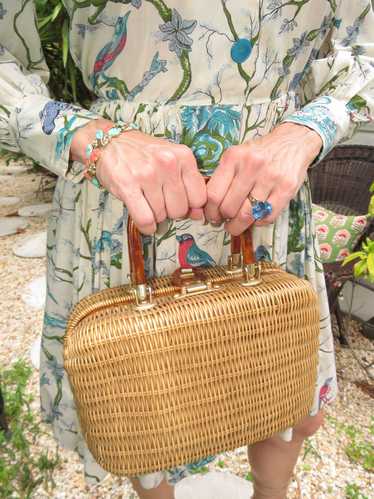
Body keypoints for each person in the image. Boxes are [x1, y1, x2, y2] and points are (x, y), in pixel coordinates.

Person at [0, 1, 373, 498]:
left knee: (288, 395)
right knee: (149, 414)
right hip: (130, 195)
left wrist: (308, 130)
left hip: (268, 195)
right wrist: (85, 133)